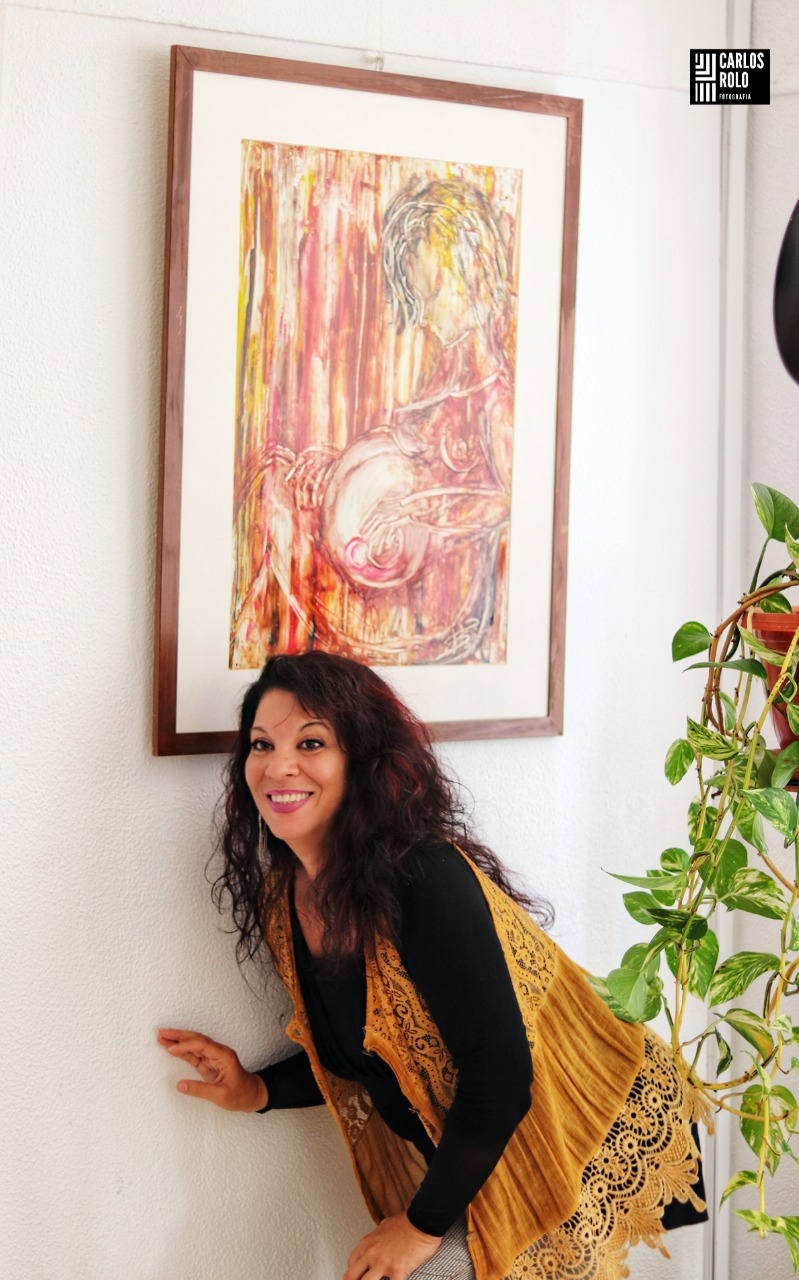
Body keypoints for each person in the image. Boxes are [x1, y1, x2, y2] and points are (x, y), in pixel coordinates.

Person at [159, 652, 708, 1280]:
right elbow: (373, 1056)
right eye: (262, 744)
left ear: (362, 760)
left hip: (595, 1132)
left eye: (311, 743)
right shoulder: (286, 898)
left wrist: (420, 1229)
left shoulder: (422, 877)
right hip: (485, 1152)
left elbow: (500, 1078)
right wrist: (256, 1090)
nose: (279, 766)